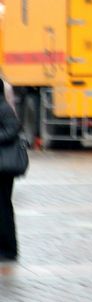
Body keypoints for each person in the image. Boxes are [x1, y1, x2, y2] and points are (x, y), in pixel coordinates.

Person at [0, 80, 22, 261]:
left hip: (3, 167)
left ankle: (8, 249)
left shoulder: (4, 108)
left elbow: (13, 129)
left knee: (4, 207)